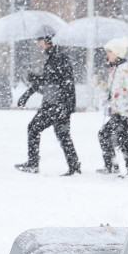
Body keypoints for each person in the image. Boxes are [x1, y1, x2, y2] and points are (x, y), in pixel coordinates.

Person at [14, 33, 81, 176]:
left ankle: (33, 164)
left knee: (33, 129)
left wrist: (31, 88)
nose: (40, 44)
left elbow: (53, 84)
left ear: (47, 41)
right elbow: (51, 82)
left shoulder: (57, 58)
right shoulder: (56, 57)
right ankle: (74, 166)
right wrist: (34, 82)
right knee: (63, 135)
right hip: (59, 104)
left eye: (41, 41)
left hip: (55, 104)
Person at [95, 36, 128, 175]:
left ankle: (112, 166)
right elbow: (113, 92)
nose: (107, 55)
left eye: (110, 52)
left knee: (104, 135)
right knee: (124, 141)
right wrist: (101, 85)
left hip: (124, 113)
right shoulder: (116, 69)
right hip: (120, 112)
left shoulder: (125, 70)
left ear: (117, 53)